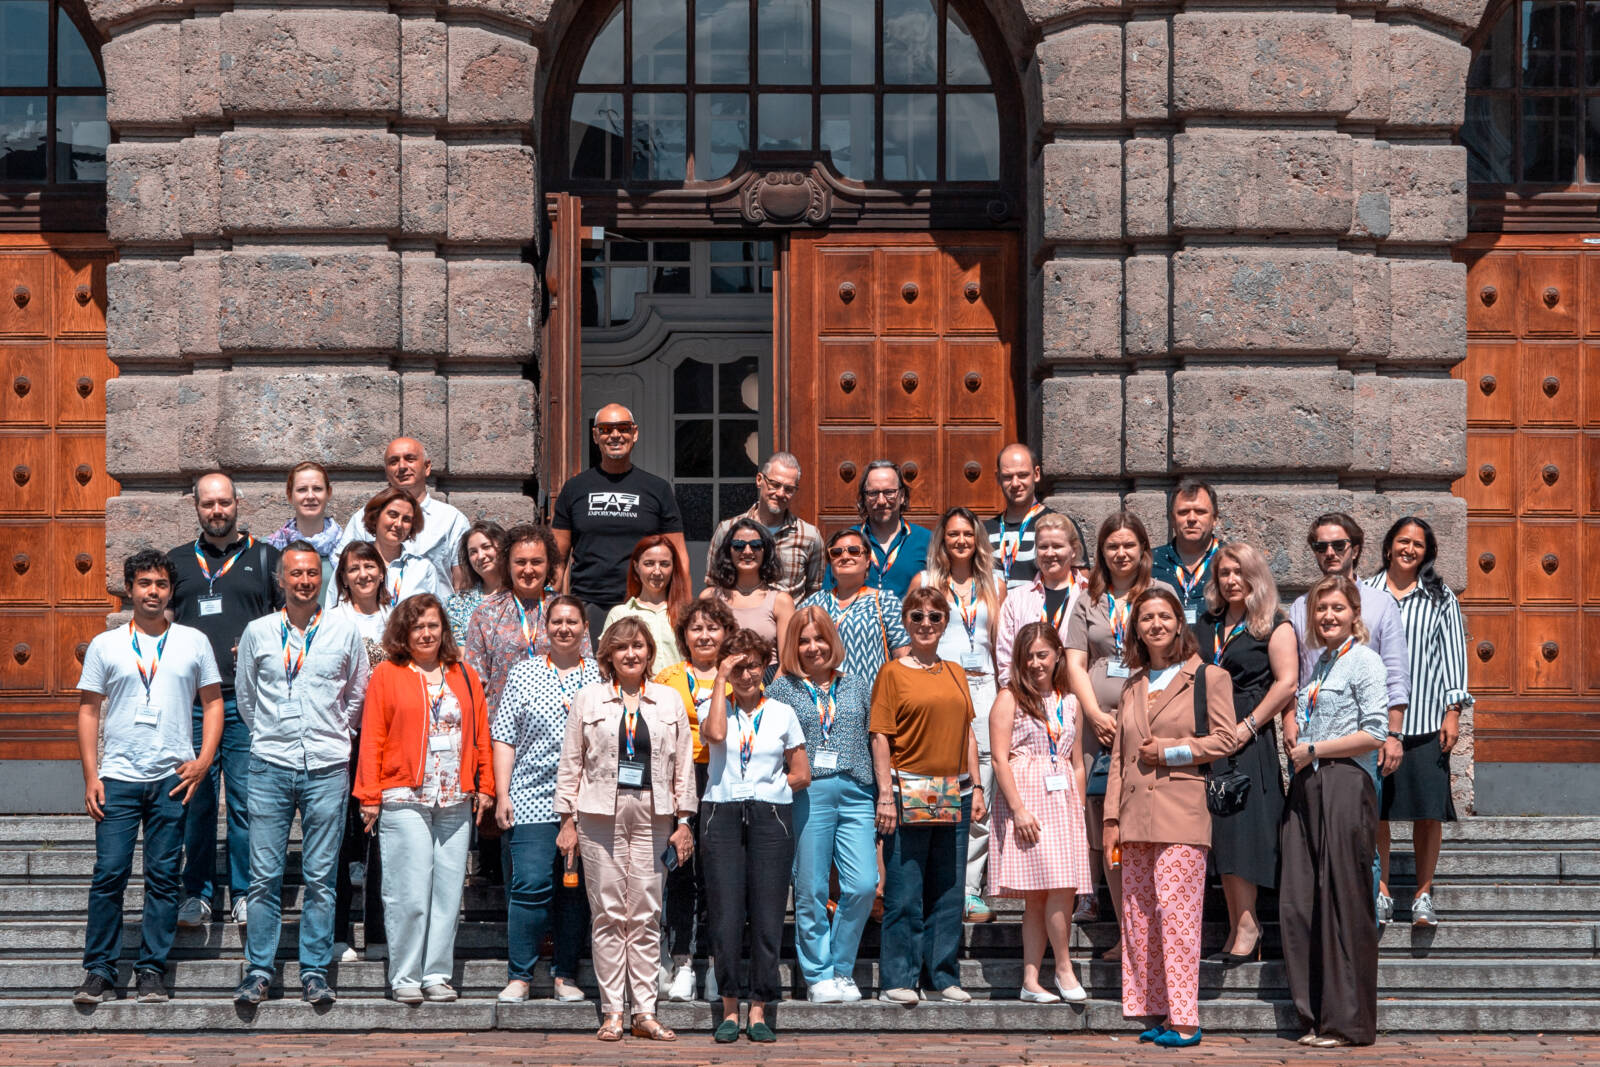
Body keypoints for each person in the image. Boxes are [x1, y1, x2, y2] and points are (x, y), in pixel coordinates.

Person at [71, 551, 223, 1005]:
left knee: (161, 877)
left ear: (170, 590)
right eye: (143, 583)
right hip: (117, 777)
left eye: (159, 583)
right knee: (109, 874)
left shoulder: (193, 641)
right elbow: (87, 710)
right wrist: (90, 776)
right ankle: (98, 971)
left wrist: (203, 760)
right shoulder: (106, 644)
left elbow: (214, 703)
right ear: (129, 589)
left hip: (171, 778)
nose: (152, 591)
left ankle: (151, 970)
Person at [230, 542, 370, 1005]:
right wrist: (271, 734)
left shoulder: (344, 631)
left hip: (328, 766)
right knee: (265, 877)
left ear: (323, 578)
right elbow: (247, 699)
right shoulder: (257, 631)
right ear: (281, 580)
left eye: (313, 573)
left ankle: (314, 970)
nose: (305, 581)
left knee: (321, 876)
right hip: (270, 764)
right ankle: (259, 971)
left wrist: (335, 733)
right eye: (296, 574)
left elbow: (356, 693)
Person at [1102, 586, 1236, 1048]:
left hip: (1182, 811)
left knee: (1177, 917)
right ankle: (1154, 1009)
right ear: (1136, 628)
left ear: (1180, 623)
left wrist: (1169, 752)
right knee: (1140, 920)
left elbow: (1225, 740)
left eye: (1163, 616)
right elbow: (1120, 759)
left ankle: (1186, 1020)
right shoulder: (1132, 684)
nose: (1155, 624)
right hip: (1134, 817)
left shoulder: (1208, 677)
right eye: (1145, 618)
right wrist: (1111, 821)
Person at [555, 617, 697, 1042]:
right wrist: (566, 820)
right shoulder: (589, 698)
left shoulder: (669, 700)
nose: (631, 654)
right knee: (609, 913)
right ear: (609, 656)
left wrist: (685, 820)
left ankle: (645, 1011)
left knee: (646, 913)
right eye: (622, 648)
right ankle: (613, 1010)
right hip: (599, 814)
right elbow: (571, 762)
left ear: (649, 653)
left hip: (654, 814)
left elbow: (683, 765)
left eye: (638, 646)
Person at [354, 594, 495, 1004]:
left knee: (448, 893)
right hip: (403, 796)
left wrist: (485, 785)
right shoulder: (387, 674)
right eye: (418, 627)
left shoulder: (464, 673)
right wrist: (369, 795)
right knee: (409, 893)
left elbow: (480, 734)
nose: (427, 633)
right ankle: (405, 976)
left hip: (454, 798)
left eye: (433, 625)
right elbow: (372, 737)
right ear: (404, 632)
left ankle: (436, 974)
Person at [166, 471, 283, 930]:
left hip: (245, 704)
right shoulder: (177, 562)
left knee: (245, 802)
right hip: (191, 705)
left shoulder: (266, 557)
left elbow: (285, 623)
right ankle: (195, 892)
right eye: (207, 504)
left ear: (238, 503)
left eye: (224, 503)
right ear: (196, 508)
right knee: (195, 801)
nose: (217, 511)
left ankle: (243, 893)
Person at [1281, 576, 1388, 1048]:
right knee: (1300, 901)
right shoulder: (1321, 664)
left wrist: (1314, 747)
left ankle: (1348, 1023)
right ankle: (1316, 1015)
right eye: (1321, 609)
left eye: (1337, 608)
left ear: (1354, 615)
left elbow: (1376, 733)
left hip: (1345, 781)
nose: (1327, 616)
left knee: (1344, 899)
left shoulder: (1364, 661)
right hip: (1309, 784)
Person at [869, 586, 985, 1005]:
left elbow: (968, 731)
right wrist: (885, 794)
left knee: (948, 888)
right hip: (907, 787)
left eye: (934, 617)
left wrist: (979, 784)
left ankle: (942, 975)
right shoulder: (892, 672)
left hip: (953, 790)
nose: (925, 624)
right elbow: (880, 736)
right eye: (916, 616)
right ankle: (899, 978)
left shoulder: (955, 671)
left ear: (945, 623)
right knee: (904, 889)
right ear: (906, 621)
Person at [1063, 511, 1172, 935]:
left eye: (1128, 545)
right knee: (1100, 809)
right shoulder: (1086, 599)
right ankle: (1104, 901)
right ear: (1101, 553)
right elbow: (1074, 662)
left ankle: (1144, 915)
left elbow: (1174, 658)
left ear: (1143, 549)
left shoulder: (1160, 592)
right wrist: (1092, 712)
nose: (1120, 553)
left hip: (1148, 718)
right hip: (1097, 724)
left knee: (1140, 810)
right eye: (1112, 546)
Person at [700, 629, 810, 1043]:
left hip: (770, 815)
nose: (746, 674)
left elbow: (801, 772)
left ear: (766, 666)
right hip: (722, 811)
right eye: (737, 666)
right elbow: (714, 736)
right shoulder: (715, 705)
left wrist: (774, 789)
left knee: (766, 914)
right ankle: (730, 1007)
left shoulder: (782, 711)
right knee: (726, 914)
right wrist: (719, 678)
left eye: (753, 665)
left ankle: (760, 1008)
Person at [1364, 517, 1472, 929]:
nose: (1410, 549)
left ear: (1427, 552)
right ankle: (1383, 891)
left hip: (1427, 721)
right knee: (1379, 810)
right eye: (1403, 541)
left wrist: (1453, 710)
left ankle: (1424, 893)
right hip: (1377, 720)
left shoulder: (1439, 596)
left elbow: (1452, 656)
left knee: (1429, 811)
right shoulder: (1366, 593)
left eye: (1418, 544)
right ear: (1389, 546)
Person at [490, 594, 599, 1004]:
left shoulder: (599, 678)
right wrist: (502, 794)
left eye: (572, 621)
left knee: (573, 890)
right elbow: (504, 736)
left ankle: (565, 975)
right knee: (531, 884)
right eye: (557, 622)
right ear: (545, 628)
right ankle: (520, 975)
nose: (565, 628)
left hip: (586, 802)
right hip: (532, 797)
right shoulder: (524, 673)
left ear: (585, 628)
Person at [766, 607, 876, 1005]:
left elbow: (873, 739)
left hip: (856, 790)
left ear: (833, 641)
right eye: (804, 641)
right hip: (807, 792)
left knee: (864, 884)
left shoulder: (858, 685)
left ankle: (842, 968)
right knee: (810, 886)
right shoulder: (782, 690)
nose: (813, 648)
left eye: (820, 638)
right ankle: (818, 975)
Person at [1196, 542, 1296, 963]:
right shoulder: (1206, 623)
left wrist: (1248, 726)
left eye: (1239, 572)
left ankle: (1248, 924)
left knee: (1241, 828)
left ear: (1255, 575)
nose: (1232, 580)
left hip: (1247, 735)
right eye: (1224, 573)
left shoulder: (1274, 624)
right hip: (1207, 735)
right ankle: (1238, 919)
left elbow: (1286, 682)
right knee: (1217, 830)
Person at [910, 506, 1005, 924]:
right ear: (942, 540)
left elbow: (1000, 643)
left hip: (984, 687)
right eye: (953, 534)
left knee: (981, 785)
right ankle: (936, 882)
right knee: (939, 776)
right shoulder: (926, 582)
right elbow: (910, 635)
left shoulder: (993, 584)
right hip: (939, 685)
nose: (961, 541)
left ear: (977, 539)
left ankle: (968, 889)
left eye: (968, 534)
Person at [988, 622, 1090, 1004]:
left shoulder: (1070, 700)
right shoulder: (1009, 697)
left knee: (1060, 888)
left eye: (1042, 654)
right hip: (1027, 799)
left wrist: (1077, 806)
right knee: (1041, 893)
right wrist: (1018, 809)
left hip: (1063, 802)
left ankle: (1036, 977)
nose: (1034, 663)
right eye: (1027, 656)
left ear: (1058, 655)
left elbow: (1077, 761)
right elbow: (999, 758)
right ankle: (1058, 970)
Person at [652, 597, 738, 1001]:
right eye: (696, 629)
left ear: (726, 634)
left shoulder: (739, 674)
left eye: (713, 628)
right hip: (681, 779)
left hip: (727, 780)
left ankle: (718, 965)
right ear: (684, 636)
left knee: (720, 876)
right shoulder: (668, 677)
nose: (704, 635)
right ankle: (683, 960)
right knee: (683, 872)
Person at [552, 403, 688, 633]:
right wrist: (551, 605)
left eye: (623, 428)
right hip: (588, 605)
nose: (615, 435)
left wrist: (682, 607)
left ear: (634, 433)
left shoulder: (657, 489)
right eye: (606, 429)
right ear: (595, 436)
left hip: (643, 605)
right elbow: (557, 556)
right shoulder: (575, 488)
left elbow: (678, 554)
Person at [327, 541, 390, 962]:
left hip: (387, 738)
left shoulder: (396, 618)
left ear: (381, 573)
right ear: (344, 577)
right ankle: (338, 933)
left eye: (370, 566)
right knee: (343, 838)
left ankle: (381, 934)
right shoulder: (332, 620)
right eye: (354, 569)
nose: (363, 574)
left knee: (383, 840)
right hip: (343, 739)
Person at [464, 524, 589, 718]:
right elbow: (475, 680)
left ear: (549, 565)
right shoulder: (486, 614)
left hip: (560, 725)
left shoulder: (567, 611)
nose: (528, 570)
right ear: (507, 564)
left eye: (536, 562)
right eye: (520, 562)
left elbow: (586, 667)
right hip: (502, 727)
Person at [339, 436, 472, 592]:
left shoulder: (451, 519)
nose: (402, 466)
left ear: (427, 467)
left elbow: (462, 585)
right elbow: (344, 575)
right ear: (386, 471)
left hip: (432, 614)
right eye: (393, 461)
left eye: (410, 459)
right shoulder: (364, 518)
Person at [705, 452, 824, 600]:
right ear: (759, 480)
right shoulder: (727, 529)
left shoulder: (809, 536)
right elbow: (713, 583)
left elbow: (814, 592)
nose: (780, 493)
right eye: (774, 485)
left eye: (789, 489)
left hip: (789, 621)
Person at [799, 528, 910, 679]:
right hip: (820, 697)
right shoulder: (813, 604)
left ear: (867, 561)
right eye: (836, 552)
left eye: (853, 550)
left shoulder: (885, 602)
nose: (845, 556)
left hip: (872, 697)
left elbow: (902, 656)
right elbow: (794, 655)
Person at [996, 511, 1089, 683]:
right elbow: (1005, 658)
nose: (1049, 553)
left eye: (1057, 546)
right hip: (1026, 699)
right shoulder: (1016, 599)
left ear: (1074, 551)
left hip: (1075, 697)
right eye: (1043, 547)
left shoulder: (1090, 596)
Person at [833, 460, 932, 599]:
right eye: (873, 493)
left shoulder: (927, 540)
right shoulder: (845, 542)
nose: (881, 501)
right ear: (864, 498)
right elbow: (830, 594)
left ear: (902, 496)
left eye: (889, 492)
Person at [701, 518, 795, 661]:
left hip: (769, 679)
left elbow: (787, 662)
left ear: (766, 551)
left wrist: (772, 684)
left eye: (756, 545)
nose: (747, 551)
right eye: (738, 545)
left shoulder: (781, 601)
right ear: (728, 550)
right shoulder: (710, 598)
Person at [603, 534, 691, 676]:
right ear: (637, 567)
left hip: (679, 694)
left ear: (673, 567)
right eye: (649, 564)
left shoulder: (686, 613)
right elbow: (606, 663)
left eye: (664, 564)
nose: (657, 571)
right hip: (635, 694)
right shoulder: (620, 614)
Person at [265, 461, 342, 605]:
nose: (310, 496)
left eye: (317, 489)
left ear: (329, 493)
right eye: (302, 490)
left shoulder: (346, 547)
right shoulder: (269, 549)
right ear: (289, 496)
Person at [985, 444, 1059, 590]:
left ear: (1036, 474)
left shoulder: (1058, 526)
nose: (1015, 483)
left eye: (1022, 475)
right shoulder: (984, 531)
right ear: (998, 478)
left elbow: (1079, 584)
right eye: (1007, 477)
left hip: (1042, 613)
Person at [1149, 479, 1223, 625]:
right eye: (1183, 512)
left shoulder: (1234, 561)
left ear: (1214, 519)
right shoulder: (1149, 562)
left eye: (1200, 512)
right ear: (1171, 519)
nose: (1191, 519)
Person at [362, 488, 453, 607]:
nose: (398, 524)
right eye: (393, 515)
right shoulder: (354, 562)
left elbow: (436, 617)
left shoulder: (422, 569)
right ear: (376, 516)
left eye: (406, 519)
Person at [445, 521, 508, 646]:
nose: (480, 556)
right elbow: (459, 649)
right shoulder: (458, 604)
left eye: (486, 547)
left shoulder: (527, 592)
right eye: (473, 552)